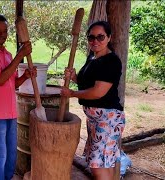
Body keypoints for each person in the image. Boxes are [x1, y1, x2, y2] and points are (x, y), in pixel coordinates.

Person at [61, 21, 125, 180]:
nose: (95, 41)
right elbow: (88, 84)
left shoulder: (111, 62)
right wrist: (74, 77)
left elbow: (98, 92)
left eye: (100, 37)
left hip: (107, 119)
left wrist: (72, 93)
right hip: (95, 119)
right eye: (91, 37)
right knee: (103, 163)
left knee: (98, 166)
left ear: (109, 37)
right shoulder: (93, 57)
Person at [0, 14, 36, 180]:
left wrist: (25, 76)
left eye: (5, 31)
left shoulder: (8, 55)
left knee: (11, 155)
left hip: (11, 113)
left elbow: (12, 83)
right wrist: (20, 55)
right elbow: (1, 79)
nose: (2, 34)